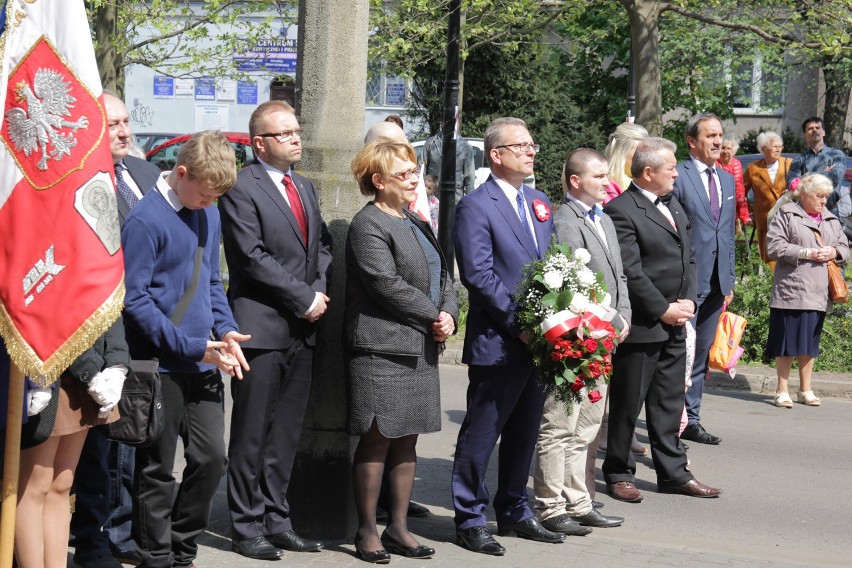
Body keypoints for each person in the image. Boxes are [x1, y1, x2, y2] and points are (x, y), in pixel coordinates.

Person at [122, 131, 251, 568]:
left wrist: (228, 330)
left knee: (212, 459)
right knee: (157, 470)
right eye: (205, 194)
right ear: (181, 174)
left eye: (216, 196)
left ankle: (182, 549)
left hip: (205, 358)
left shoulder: (207, 213)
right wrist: (193, 346)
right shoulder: (145, 220)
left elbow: (212, 281)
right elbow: (135, 300)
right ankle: (156, 556)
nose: (209, 203)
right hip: (159, 365)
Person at [218, 100, 332, 560]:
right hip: (260, 329)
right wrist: (302, 298)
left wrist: (318, 292)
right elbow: (250, 256)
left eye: (297, 131)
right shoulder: (241, 188)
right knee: (251, 434)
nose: (296, 139)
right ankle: (245, 527)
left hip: (302, 330)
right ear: (259, 143)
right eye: (285, 134)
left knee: (285, 433)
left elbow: (320, 247)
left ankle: (276, 519)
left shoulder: (303, 186)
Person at [451, 117, 563, 556]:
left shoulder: (538, 200)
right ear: (496, 155)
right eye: (521, 145)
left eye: (532, 144)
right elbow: (478, 276)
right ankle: (470, 517)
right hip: (501, 340)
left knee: (525, 430)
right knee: (484, 430)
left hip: (540, 341)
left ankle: (515, 509)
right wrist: (522, 323)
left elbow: (552, 265)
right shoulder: (476, 206)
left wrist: (558, 318)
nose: (531, 151)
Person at [345, 141, 458, 563]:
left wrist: (448, 312)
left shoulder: (414, 219)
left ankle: (399, 527)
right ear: (379, 181)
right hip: (382, 350)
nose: (415, 180)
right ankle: (367, 530)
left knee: (406, 441)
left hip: (419, 347)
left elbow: (444, 276)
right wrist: (434, 316)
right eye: (405, 174)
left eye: (415, 172)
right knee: (377, 439)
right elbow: (384, 283)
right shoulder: (367, 224)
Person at [70, 90, 162, 568]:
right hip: (103, 336)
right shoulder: (83, 183)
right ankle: (95, 539)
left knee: (136, 444)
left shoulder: (146, 174)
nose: (125, 132)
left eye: (127, 122)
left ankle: (125, 535)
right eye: (113, 124)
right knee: (100, 453)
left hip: (149, 331)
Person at [602, 137, 721, 502]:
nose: (676, 172)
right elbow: (631, 272)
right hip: (644, 323)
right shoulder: (621, 209)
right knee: (628, 403)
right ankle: (619, 471)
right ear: (649, 171)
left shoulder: (674, 203)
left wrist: (688, 300)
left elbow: (691, 256)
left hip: (676, 318)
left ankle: (673, 472)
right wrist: (662, 308)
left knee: (669, 401)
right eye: (670, 167)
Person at [533, 148, 630, 534]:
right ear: (576, 181)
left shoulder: (603, 218)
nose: (607, 183)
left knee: (588, 425)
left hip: (606, 335)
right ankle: (551, 505)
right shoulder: (566, 219)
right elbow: (574, 280)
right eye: (599, 177)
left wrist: (622, 318)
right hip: (578, 338)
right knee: (561, 424)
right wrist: (599, 321)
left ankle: (578, 501)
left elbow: (617, 277)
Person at [14, 320, 127, 568]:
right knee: (35, 484)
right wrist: (90, 371)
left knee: (62, 483)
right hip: (46, 369)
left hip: (87, 370)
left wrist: (118, 363)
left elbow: (112, 303)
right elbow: (52, 310)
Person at [672, 112, 736, 446]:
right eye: (710, 136)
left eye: (720, 135)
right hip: (685, 283)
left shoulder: (726, 179)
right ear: (692, 141)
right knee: (677, 355)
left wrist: (730, 280)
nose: (717, 141)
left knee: (701, 356)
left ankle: (691, 420)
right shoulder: (678, 176)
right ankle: (669, 424)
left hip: (716, 283)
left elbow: (726, 233)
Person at [765, 173, 849, 408]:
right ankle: (782, 390)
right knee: (785, 342)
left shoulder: (831, 218)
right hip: (791, 290)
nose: (823, 201)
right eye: (818, 196)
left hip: (818, 292)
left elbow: (844, 246)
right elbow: (773, 246)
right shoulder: (787, 213)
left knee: (809, 344)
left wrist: (834, 252)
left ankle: (805, 389)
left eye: (825, 196)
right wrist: (806, 253)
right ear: (803, 195)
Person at [743, 131, 792, 267]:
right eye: (774, 146)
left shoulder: (789, 164)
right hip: (764, 220)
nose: (778, 149)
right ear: (764, 149)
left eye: (780, 146)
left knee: (789, 255)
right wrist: (749, 213)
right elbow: (741, 192)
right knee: (769, 257)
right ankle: (771, 285)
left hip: (788, 218)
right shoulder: (753, 168)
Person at [787, 117, 847, 211]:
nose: (814, 130)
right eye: (810, 128)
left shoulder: (837, 155)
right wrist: (825, 173)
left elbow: (835, 175)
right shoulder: (799, 159)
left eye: (817, 127)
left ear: (823, 132)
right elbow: (792, 184)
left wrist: (807, 176)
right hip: (805, 213)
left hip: (830, 211)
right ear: (805, 135)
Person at [422, 128, 477, 202]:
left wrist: (470, 202)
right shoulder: (430, 143)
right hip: (432, 196)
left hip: (455, 197)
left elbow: (469, 177)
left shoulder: (466, 147)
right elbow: (422, 168)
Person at [603, 122, 649, 203]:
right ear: (621, 152)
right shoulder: (606, 186)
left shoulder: (645, 182)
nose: (645, 157)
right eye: (639, 151)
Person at [717, 134, 751, 230]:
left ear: (734, 151)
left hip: (732, 208)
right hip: (718, 207)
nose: (725, 151)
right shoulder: (714, 164)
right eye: (723, 148)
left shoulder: (736, 164)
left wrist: (744, 215)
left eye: (729, 148)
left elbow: (740, 189)